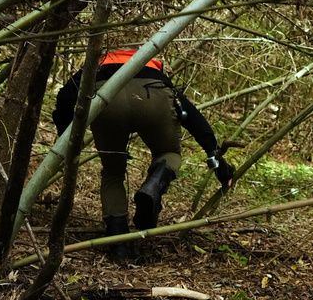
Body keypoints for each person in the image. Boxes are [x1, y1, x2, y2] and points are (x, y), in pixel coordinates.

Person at [52, 49, 235, 259]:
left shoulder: (98, 63)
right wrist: (216, 157)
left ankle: (118, 242)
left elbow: (65, 96)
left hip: (105, 97)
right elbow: (192, 116)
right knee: (168, 153)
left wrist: (66, 137)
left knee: (113, 172)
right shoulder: (152, 68)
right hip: (153, 94)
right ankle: (155, 182)